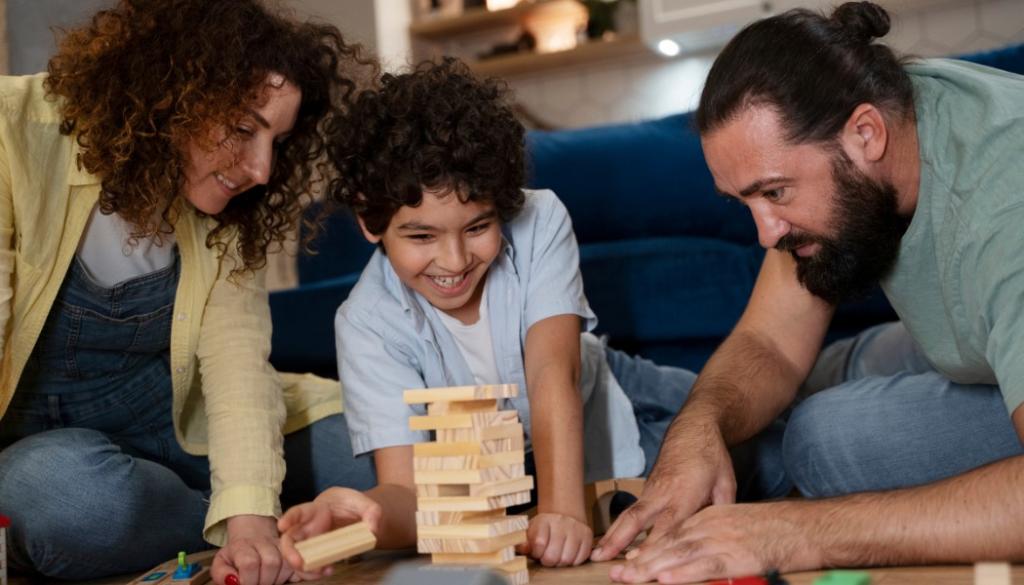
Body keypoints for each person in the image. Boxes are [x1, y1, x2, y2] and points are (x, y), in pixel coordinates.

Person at [274, 58, 787, 576]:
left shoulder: (541, 219)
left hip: (609, 390)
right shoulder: (365, 324)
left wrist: (562, 510)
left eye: (478, 226)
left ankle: (834, 365)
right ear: (368, 219)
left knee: (765, 438)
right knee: (721, 483)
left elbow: (551, 373)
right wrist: (363, 520)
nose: (454, 262)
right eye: (422, 236)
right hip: (514, 468)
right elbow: (410, 491)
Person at [588, 1, 1024, 583]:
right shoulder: (885, 105)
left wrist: (795, 530)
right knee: (811, 381)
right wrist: (698, 430)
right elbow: (770, 341)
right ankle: (641, 400)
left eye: (776, 192)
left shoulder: (1005, 209)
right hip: (980, 340)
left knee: (826, 437)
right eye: (746, 202)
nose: (765, 233)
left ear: (866, 134)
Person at [0, 1, 378, 584]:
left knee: (385, 467)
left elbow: (236, 365)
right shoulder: (10, 132)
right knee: (72, 504)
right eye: (244, 128)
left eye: (276, 141)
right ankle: (237, 523)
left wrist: (249, 516)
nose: (260, 169)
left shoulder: (230, 208)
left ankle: (238, 521)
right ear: (171, 95)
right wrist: (243, 521)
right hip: (46, 448)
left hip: (183, 419)